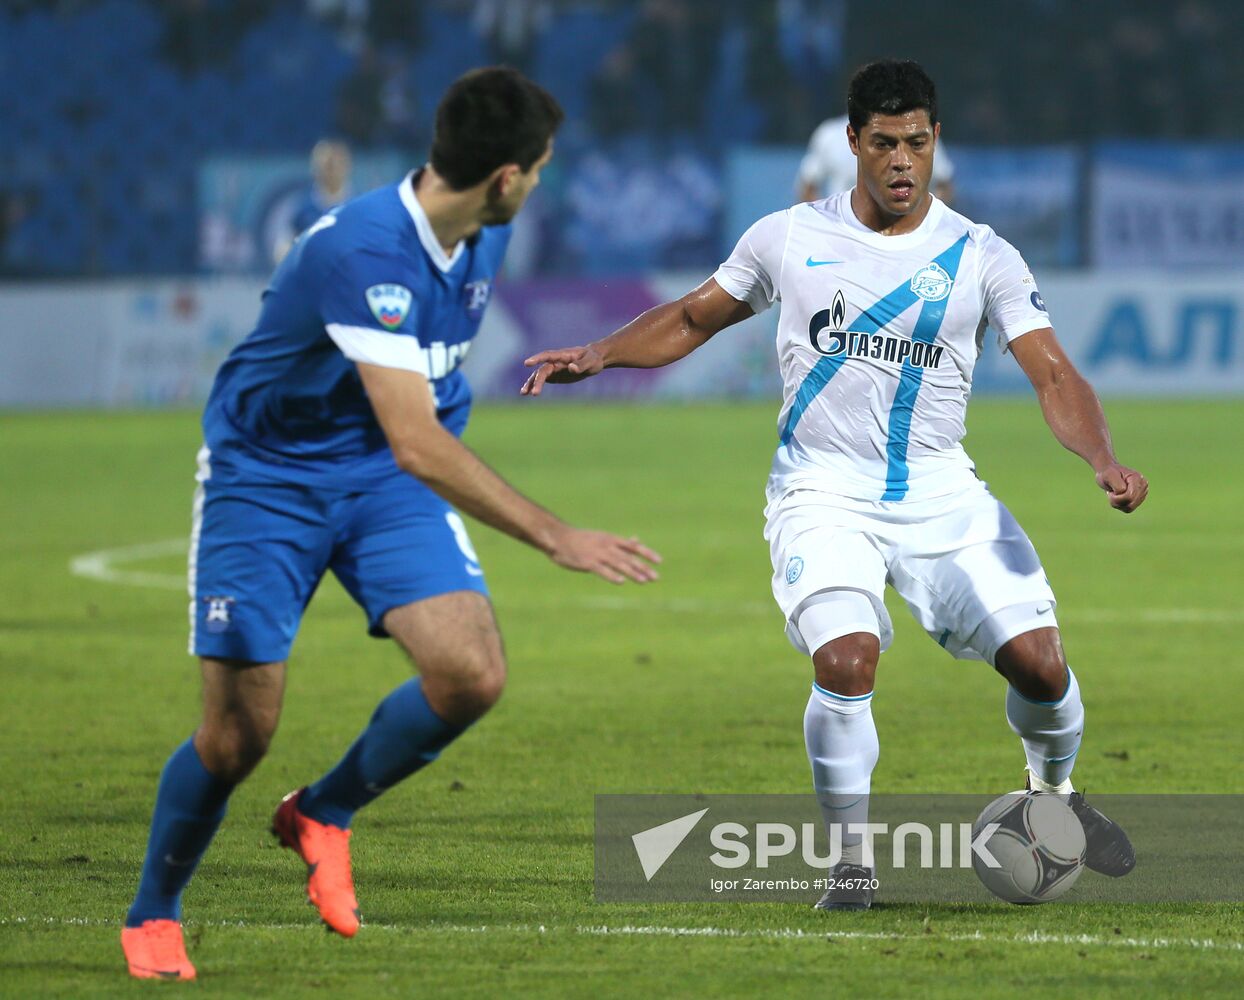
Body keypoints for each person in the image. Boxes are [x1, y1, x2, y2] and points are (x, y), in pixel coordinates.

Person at [522, 59, 1144, 911]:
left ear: (936, 144)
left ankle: (1058, 795)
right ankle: (850, 867)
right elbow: (695, 316)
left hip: (942, 494)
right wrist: (598, 353)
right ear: (851, 142)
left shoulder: (980, 253)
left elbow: (1053, 374)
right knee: (846, 660)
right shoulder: (788, 236)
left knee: (1041, 666)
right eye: (884, 143)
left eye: (917, 144)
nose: (901, 162)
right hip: (819, 490)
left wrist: (1101, 458)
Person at [121, 67, 660, 981]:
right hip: (271, 477)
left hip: (378, 478)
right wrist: (555, 534)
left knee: (469, 673)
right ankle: (154, 913)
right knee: (238, 734)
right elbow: (417, 439)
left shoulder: (480, 234)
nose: (539, 182)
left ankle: (321, 812)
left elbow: (413, 428)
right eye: (537, 167)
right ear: (503, 177)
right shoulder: (365, 251)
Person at [797, 112, 955, 204]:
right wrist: (827, 224)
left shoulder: (918, 130)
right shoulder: (830, 134)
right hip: (844, 238)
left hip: (903, 237)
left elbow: (944, 183)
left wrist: (925, 223)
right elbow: (808, 186)